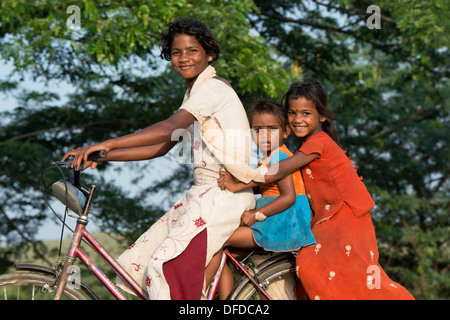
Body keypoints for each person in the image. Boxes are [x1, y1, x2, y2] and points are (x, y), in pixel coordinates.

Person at [62, 17, 264, 300]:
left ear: (209, 54)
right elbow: (163, 146)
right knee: (142, 258)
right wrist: (105, 154)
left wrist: (108, 141)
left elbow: (168, 127)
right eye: (176, 52)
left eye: (192, 51)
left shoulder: (213, 89)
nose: (183, 58)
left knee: (163, 266)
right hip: (202, 195)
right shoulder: (194, 92)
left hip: (224, 196)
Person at [242, 79, 415, 300]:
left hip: (345, 216)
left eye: (306, 113)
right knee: (340, 274)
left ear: (322, 116)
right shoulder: (305, 148)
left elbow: (279, 170)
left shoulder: (318, 143)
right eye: (292, 113)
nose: (297, 119)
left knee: (327, 268)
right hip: (328, 218)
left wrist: (239, 181)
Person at [216, 99, 315, 299]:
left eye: (272, 129)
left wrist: (256, 215)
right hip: (276, 219)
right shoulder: (269, 159)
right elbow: (261, 188)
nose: (264, 135)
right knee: (220, 256)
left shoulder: (280, 158)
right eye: (258, 130)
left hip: (281, 221)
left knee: (216, 240)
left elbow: (288, 197)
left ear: (286, 132)